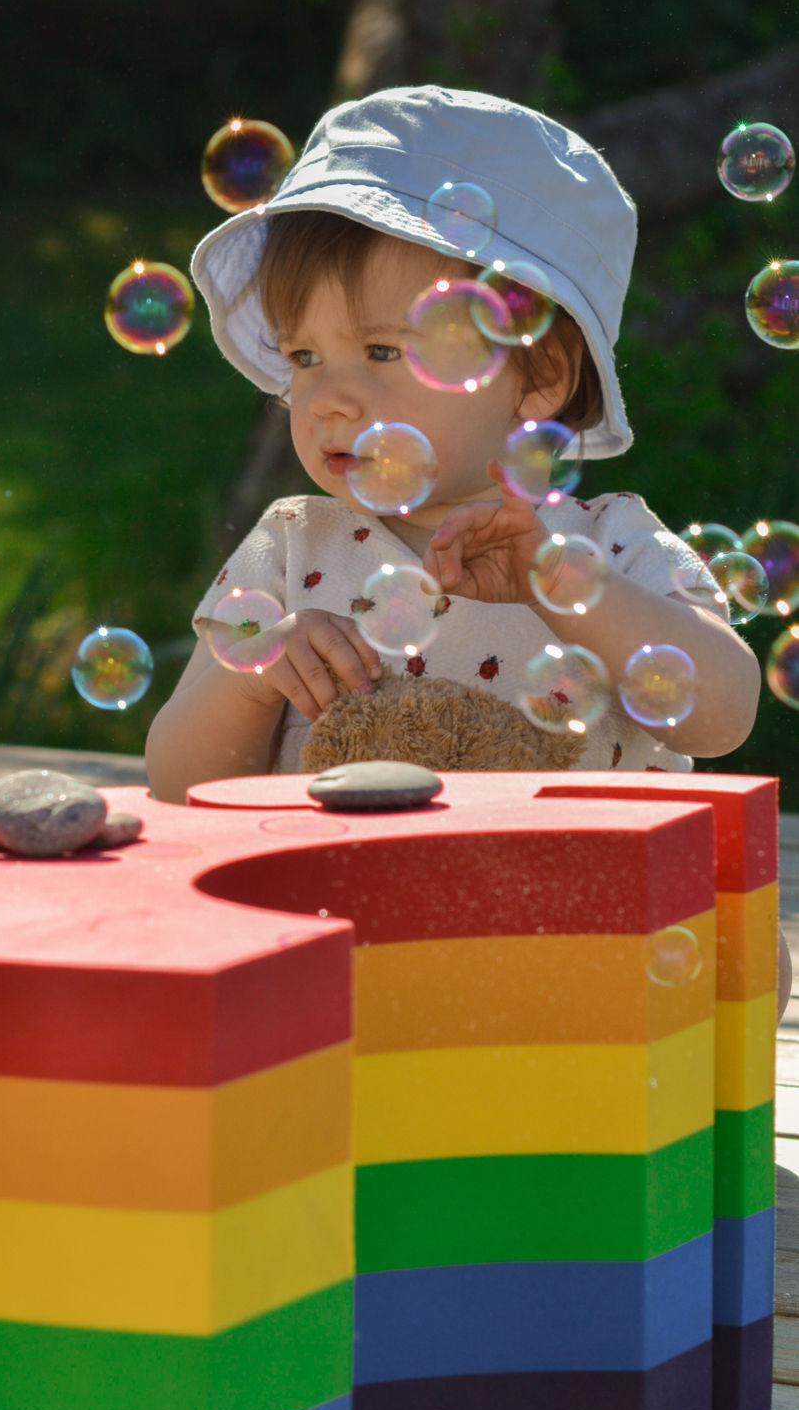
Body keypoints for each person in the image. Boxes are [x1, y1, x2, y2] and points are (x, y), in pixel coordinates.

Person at [144, 86, 790, 1015]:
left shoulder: (602, 541)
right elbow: (179, 786)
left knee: (717, 954)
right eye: (302, 358)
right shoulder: (296, 546)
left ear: (537, 372)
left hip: (566, 948)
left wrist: (570, 587)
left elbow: (718, 716)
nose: (326, 397)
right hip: (350, 954)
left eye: (377, 351)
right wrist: (253, 672)